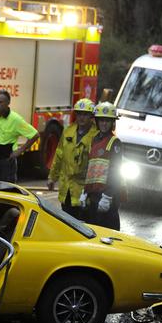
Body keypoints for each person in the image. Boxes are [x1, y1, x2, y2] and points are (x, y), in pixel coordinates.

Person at [47, 98, 98, 219]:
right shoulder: (68, 131)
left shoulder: (96, 135)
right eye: (79, 114)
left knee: (84, 225)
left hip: (85, 191)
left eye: (85, 114)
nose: (81, 117)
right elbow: (59, 155)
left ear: (91, 116)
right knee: (67, 224)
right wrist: (52, 178)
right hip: (67, 190)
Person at [0, 90, 40, 183]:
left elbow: (35, 135)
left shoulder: (16, 119)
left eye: (0, 102)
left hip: (7, 162)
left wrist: (20, 151)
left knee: (6, 190)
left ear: (8, 103)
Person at [83, 101, 123, 230]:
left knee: (110, 233)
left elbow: (116, 172)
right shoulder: (94, 139)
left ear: (113, 123)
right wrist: (85, 191)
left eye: (107, 121)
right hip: (94, 194)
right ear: (97, 121)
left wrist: (108, 196)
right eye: (101, 120)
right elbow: (90, 168)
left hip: (107, 196)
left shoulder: (115, 142)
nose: (104, 123)